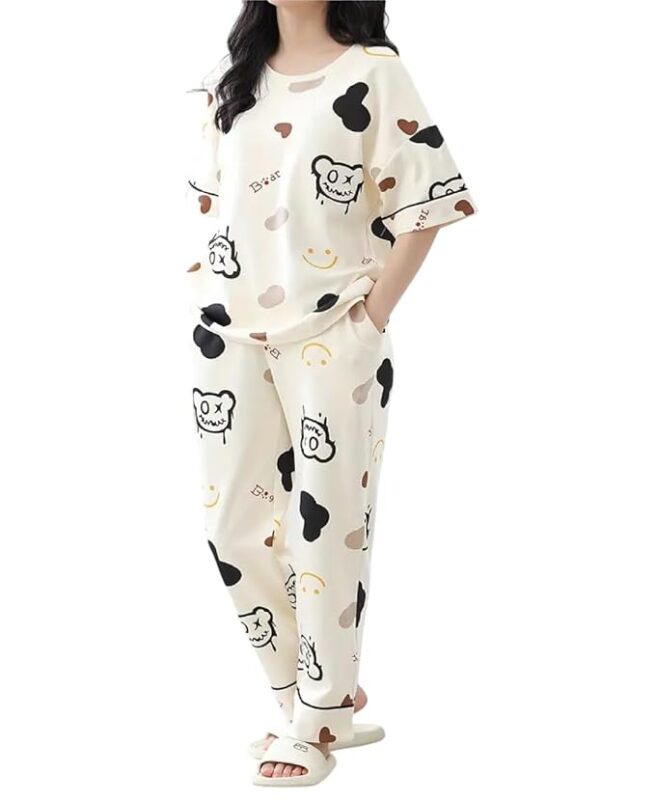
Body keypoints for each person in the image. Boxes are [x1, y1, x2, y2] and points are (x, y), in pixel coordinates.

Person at [183, 0, 477, 787]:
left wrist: (371, 315)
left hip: (331, 333)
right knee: (231, 527)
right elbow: (218, 205)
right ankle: (309, 696)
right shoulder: (230, 80)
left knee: (328, 527)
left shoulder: (374, 73)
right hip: (227, 333)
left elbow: (428, 200)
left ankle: (315, 719)